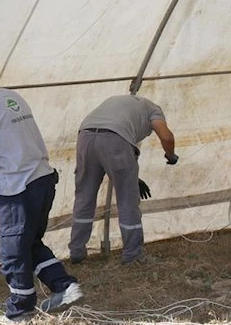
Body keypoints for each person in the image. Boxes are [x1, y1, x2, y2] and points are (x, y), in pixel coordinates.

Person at [0, 54, 83, 324]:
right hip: (43, 179)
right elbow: (16, 141)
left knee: (13, 249)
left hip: (19, 187)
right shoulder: (12, 99)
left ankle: (20, 312)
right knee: (30, 243)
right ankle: (64, 286)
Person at [68, 94, 178, 266]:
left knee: (84, 198)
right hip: (115, 139)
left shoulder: (119, 101)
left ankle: (76, 252)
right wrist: (171, 156)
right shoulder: (154, 110)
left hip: (86, 136)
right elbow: (167, 137)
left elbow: (106, 141)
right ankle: (132, 255)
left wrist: (135, 178)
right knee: (127, 200)